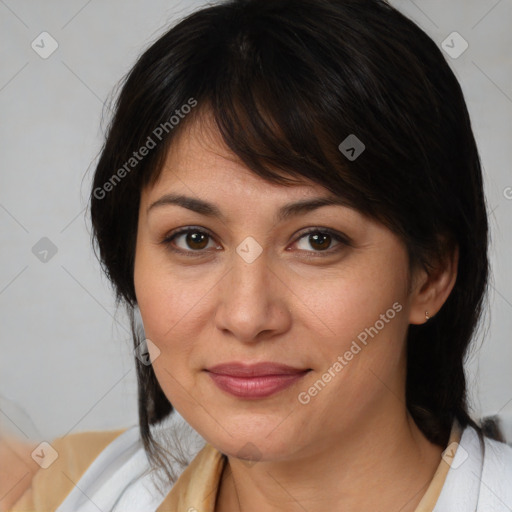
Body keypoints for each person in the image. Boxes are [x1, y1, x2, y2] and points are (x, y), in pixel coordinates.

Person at [5, 0, 512, 510]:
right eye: (194, 239)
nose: (247, 317)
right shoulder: (56, 490)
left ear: (431, 274)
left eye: (318, 240)